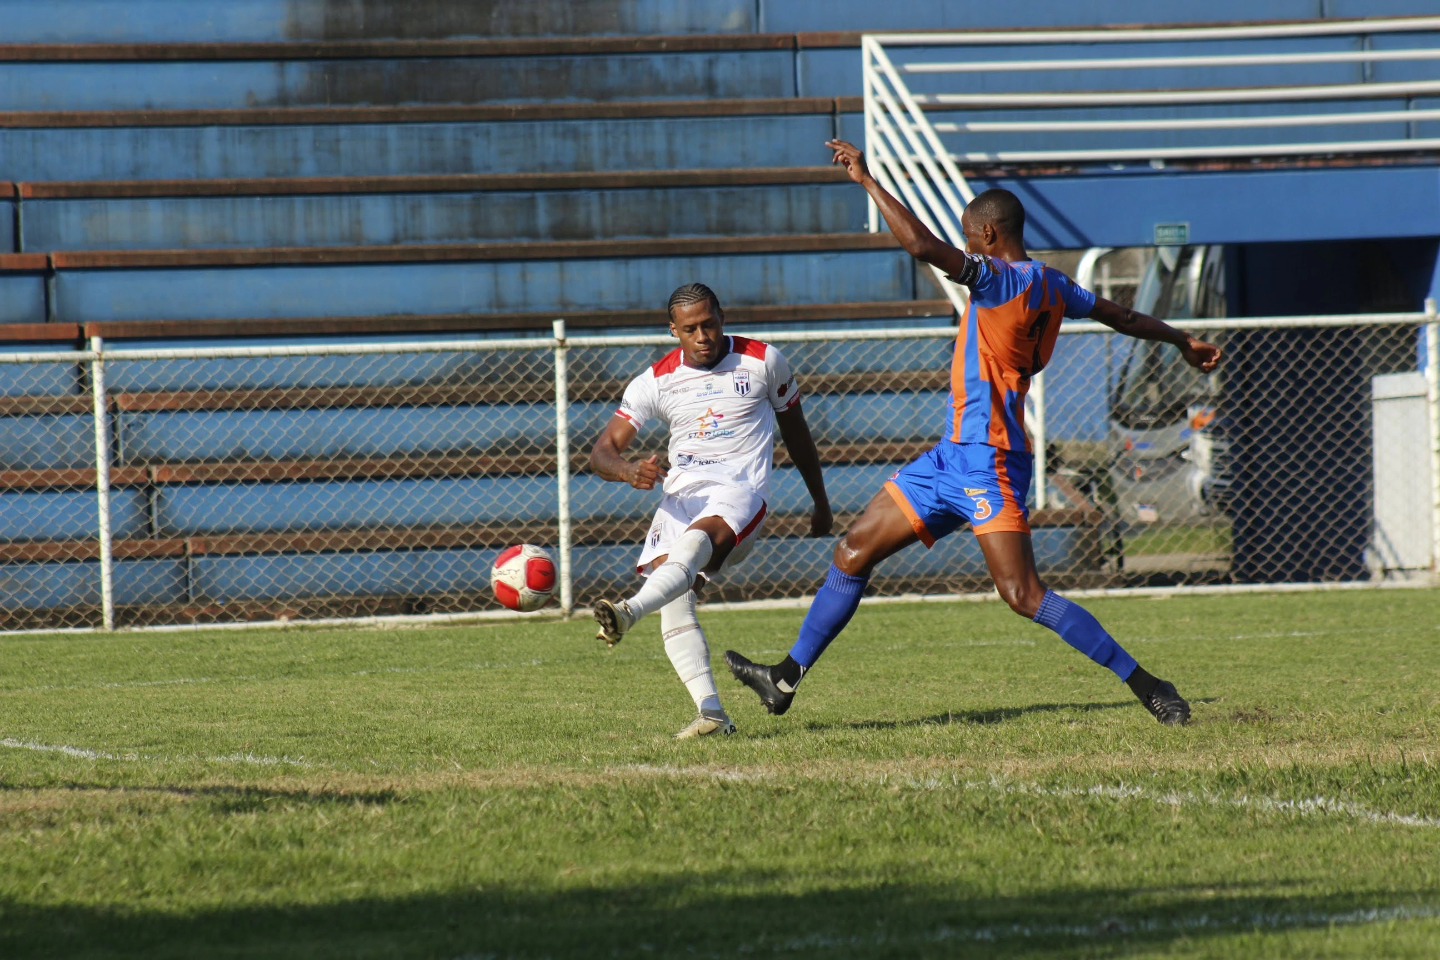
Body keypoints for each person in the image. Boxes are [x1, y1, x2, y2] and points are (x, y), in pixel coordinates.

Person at [725, 139, 1223, 726]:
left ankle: (1149, 685)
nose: (964, 248)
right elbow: (1122, 315)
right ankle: (784, 678)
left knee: (1023, 595)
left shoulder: (998, 279)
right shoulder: (1055, 284)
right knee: (853, 550)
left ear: (987, 236)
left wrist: (866, 179)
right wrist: (1179, 339)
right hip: (951, 456)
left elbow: (918, 244)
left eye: (968, 237)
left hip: (989, 459)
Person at [589, 282, 833, 739]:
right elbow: (602, 451)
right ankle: (713, 715)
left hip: (740, 493)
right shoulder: (655, 381)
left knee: (695, 543)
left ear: (723, 317)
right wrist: (627, 471)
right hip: (682, 497)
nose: (702, 336)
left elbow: (798, 434)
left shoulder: (763, 361)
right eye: (690, 329)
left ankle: (626, 613)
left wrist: (819, 501)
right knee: (676, 604)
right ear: (673, 331)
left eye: (709, 324)